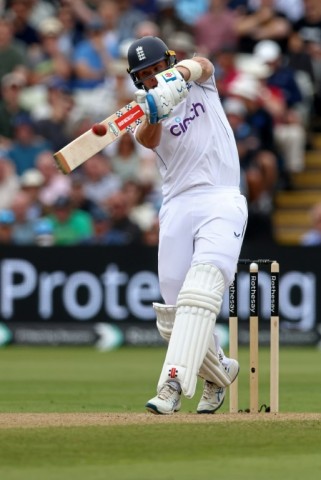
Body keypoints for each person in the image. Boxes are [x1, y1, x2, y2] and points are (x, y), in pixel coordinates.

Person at [127, 36, 248, 414]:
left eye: (157, 68)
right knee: (174, 313)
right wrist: (154, 109)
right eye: (144, 76)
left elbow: (205, 64)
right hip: (177, 205)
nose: (152, 78)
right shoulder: (141, 108)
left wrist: (173, 81)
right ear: (137, 81)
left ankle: (172, 385)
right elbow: (148, 141)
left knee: (202, 289)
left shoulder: (198, 83)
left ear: (169, 61)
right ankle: (219, 372)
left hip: (221, 197)